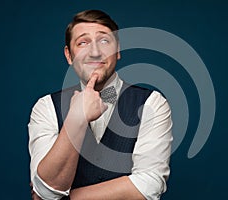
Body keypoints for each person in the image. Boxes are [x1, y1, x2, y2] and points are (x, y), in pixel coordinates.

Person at [28, 9, 173, 200]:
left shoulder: (152, 103)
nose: (95, 52)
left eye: (105, 41)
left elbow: (150, 185)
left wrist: (69, 198)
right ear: (69, 56)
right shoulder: (45, 107)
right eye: (83, 42)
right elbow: (46, 190)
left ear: (118, 50)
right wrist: (76, 118)